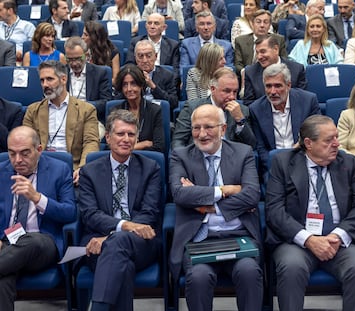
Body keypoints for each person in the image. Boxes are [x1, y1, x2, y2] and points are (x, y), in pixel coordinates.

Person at [266, 114, 355, 311]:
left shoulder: (347, 163)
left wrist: (337, 235)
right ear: (308, 143)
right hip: (297, 241)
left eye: (336, 137)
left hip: (338, 241)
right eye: (329, 140)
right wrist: (308, 239)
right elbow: (274, 211)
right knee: (291, 268)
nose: (336, 144)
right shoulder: (283, 162)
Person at [169, 104, 263, 311]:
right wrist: (225, 190)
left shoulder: (242, 152)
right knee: (199, 277)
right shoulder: (181, 156)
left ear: (222, 129)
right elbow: (180, 194)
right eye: (196, 128)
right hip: (199, 239)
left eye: (208, 127)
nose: (201, 134)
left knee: (249, 272)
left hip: (239, 236)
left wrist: (207, 205)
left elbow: (252, 195)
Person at [78, 109, 162, 311]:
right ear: (107, 137)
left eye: (131, 134)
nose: (126, 139)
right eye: (120, 133)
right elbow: (89, 214)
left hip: (140, 242)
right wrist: (124, 226)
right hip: (96, 243)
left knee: (118, 244)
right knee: (123, 267)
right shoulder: (90, 171)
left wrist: (112, 236)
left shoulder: (150, 168)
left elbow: (149, 212)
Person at [0, 126, 76, 311]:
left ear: (39, 150)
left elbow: (70, 213)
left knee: (31, 241)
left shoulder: (59, 169)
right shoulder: (1, 171)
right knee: (2, 279)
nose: (18, 160)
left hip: (42, 242)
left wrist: (37, 198)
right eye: (12, 154)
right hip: (6, 244)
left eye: (25, 153)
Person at [23, 60, 100, 184]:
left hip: (71, 169)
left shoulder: (86, 110)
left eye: (49, 79)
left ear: (63, 79)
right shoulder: (33, 110)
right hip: (40, 169)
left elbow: (91, 142)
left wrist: (82, 168)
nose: (45, 84)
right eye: (42, 80)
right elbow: (26, 143)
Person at [249, 63, 320, 175]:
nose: (272, 92)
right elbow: (261, 148)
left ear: (288, 85)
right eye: (268, 86)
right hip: (274, 167)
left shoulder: (308, 101)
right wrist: (275, 166)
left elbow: (316, 136)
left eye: (278, 86)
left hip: (304, 162)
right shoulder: (256, 109)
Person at [172, 67, 256, 150]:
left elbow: (251, 145)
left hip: (231, 161)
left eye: (235, 92)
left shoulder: (242, 111)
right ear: (213, 89)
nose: (232, 97)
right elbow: (178, 141)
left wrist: (240, 121)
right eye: (227, 91)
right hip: (199, 159)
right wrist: (185, 161)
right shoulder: (192, 108)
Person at [111, 64, 165, 153]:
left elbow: (159, 147)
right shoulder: (115, 111)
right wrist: (143, 144)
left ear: (141, 85)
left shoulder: (154, 110)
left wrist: (124, 147)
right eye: (125, 85)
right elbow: (109, 145)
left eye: (133, 83)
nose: (129, 89)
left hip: (147, 160)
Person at [243, 34, 307, 105]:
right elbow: (248, 103)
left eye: (263, 52)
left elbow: (302, 99)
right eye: (257, 53)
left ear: (276, 49)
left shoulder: (297, 70)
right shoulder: (251, 72)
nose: (259, 57)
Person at [64, 36, 112, 126]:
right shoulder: (60, 73)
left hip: (91, 119)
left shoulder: (100, 73)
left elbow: (105, 102)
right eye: (69, 59)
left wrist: (81, 107)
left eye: (78, 58)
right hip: (65, 119)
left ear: (86, 55)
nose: (74, 63)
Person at [234, 9, 287, 77]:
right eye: (258, 22)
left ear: (270, 25)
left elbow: (284, 60)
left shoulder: (279, 40)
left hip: (273, 75)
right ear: (252, 24)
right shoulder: (240, 41)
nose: (262, 25)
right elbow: (238, 64)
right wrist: (247, 73)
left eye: (265, 22)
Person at [134, 40, 179, 116]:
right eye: (140, 56)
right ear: (135, 58)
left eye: (148, 56)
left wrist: (153, 86)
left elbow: (173, 102)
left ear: (156, 56)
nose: (144, 60)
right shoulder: (129, 75)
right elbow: (118, 99)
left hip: (159, 114)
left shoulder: (167, 75)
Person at [82, 21, 120, 86]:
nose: (82, 37)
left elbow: (116, 80)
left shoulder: (112, 52)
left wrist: (99, 83)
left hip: (105, 87)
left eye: (86, 35)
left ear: (94, 37)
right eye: (83, 34)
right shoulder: (81, 51)